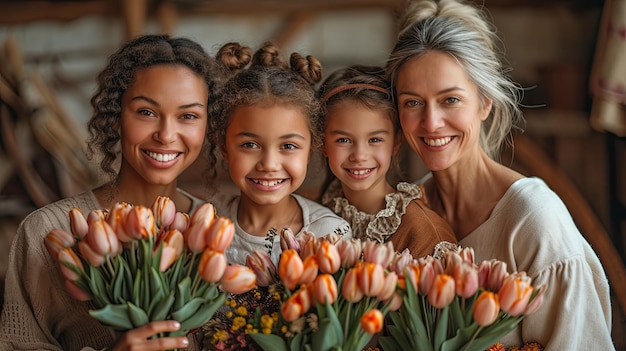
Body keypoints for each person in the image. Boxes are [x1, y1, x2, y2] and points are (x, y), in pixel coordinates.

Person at [384, 0, 614, 349]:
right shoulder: (402, 213)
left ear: (485, 101)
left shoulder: (534, 222)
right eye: (412, 102)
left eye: (450, 100)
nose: (431, 123)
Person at [0, 34, 225, 351]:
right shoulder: (46, 232)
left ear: (207, 126)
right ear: (116, 115)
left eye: (188, 116)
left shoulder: (218, 231)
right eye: (146, 112)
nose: (166, 134)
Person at [207, 41, 351, 266]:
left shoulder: (329, 236)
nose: (269, 164)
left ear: (312, 146)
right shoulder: (206, 222)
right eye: (250, 145)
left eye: (289, 146)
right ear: (223, 145)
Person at [317, 64, 456, 258]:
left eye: (375, 140)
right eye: (343, 140)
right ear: (322, 142)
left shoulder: (422, 232)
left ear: (396, 142)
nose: (359, 155)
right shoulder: (316, 211)